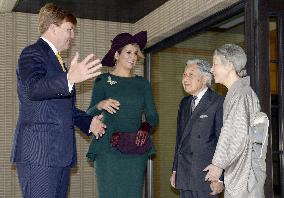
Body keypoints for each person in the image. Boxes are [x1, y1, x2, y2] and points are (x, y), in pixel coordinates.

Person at [10, 3, 106, 198]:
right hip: (40, 154)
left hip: (58, 155)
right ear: (53, 28)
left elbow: (62, 109)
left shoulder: (58, 62)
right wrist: (69, 78)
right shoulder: (32, 53)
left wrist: (88, 122)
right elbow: (32, 89)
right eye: (69, 30)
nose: (72, 36)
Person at [86, 31, 159, 198]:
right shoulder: (102, 81)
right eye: (128, 52)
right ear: (117, 54)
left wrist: (145, 128)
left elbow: (153, 116)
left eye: (135, 53)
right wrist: (101, 104)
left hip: (134, 148)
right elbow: (89, 114)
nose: (133, 57)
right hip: (107, 149)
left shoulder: (142, 84)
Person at [204, 44, 266, 198]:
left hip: (246, 177)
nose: (212, 70)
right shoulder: (237, 93)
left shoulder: (242, 94)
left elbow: (236, 134)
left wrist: (218, 165)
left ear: (230, 65)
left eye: (215, 64)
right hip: (240, 172)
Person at [170, 59, 224, 198]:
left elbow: (223, 142)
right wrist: (175, 170)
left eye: (191, 75)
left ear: (205, 78)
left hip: (206, 176)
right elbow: (179, 141)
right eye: (184, 74)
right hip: (184, 174)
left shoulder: (218, 102)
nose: (185, 79)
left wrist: (220, 178)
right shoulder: (184, 103)